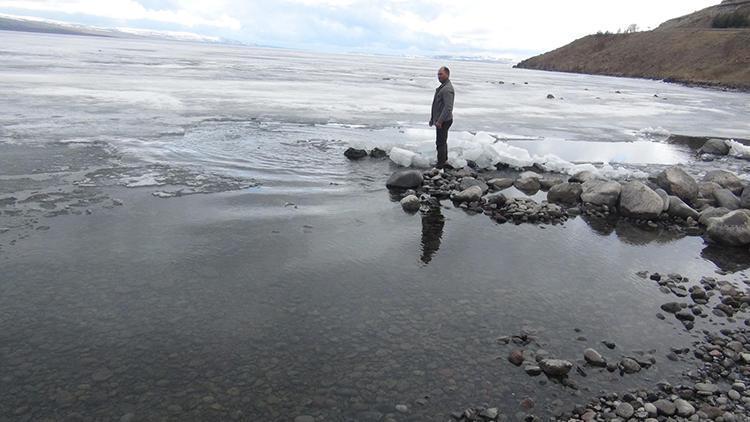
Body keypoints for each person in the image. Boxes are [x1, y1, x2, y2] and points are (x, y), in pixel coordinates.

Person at [429, 66, 455, 168]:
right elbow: (437, 105)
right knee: (441, 141)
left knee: (441, 142)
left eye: (441, 74)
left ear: (447, 75)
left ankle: (441, 164)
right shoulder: (443, 87)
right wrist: (432, 119)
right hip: (440, 119)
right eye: (438, 74)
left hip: (444, 120)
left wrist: (440, 121)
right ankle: (443, 160)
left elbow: (448, 107)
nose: (439, 76)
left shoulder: (447, 89)